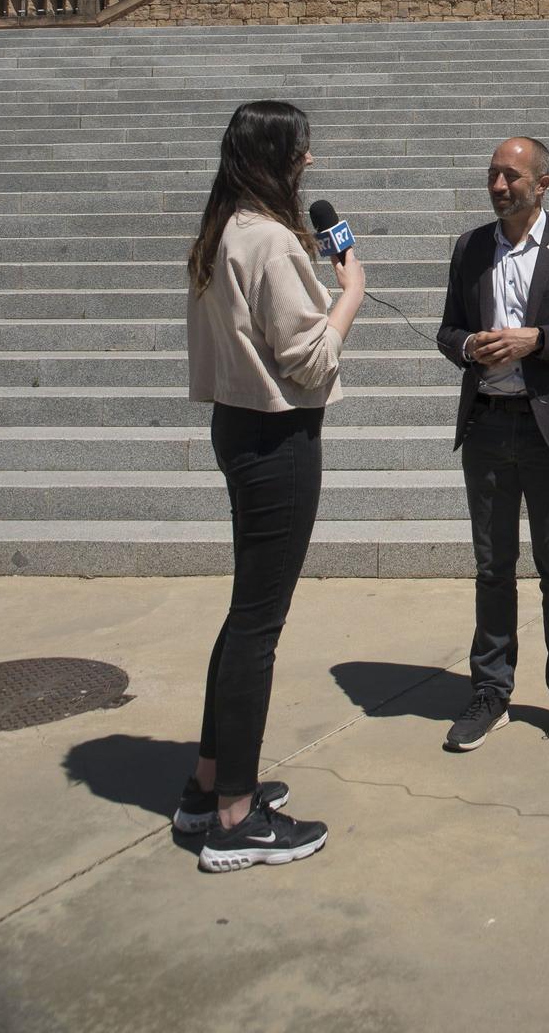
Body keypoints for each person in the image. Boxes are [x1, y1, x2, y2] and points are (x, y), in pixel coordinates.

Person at [177, 100, 365, 871]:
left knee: (244, 615)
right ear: (276, 157)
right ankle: (233, 818)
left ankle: (208, 784)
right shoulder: (271, 243)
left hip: (236, 426)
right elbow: (310, 360)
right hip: (278, 437)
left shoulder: (220, 232)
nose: (310, 163)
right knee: (259, 626)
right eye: (302, 150)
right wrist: (350, 290)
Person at [436, 136, 549, 757]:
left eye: (510, 176)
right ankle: (490, 690)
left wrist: (535, 340)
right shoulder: (469, 249)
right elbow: (448, 330)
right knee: (492, 568)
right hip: (488, 425)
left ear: (542, 184)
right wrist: (470, 348)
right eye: (492, 175)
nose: (497, 186)